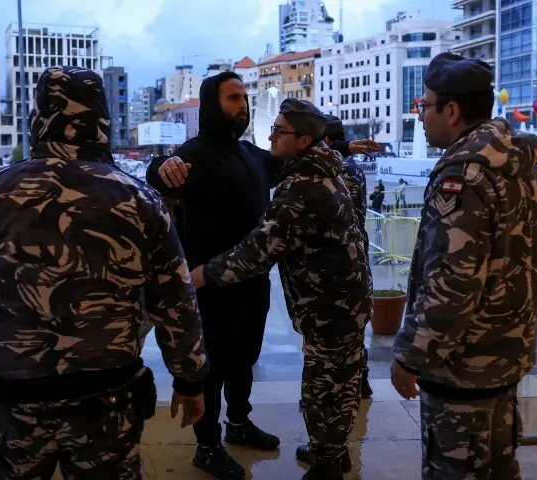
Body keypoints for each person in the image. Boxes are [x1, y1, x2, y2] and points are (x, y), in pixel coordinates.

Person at [0, 65, 209, 480]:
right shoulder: (139, 200)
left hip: (12, 398)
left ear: (38, 119)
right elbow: (176, 301)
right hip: (108, 399)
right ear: (103, 121)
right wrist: (189, 379)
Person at [145, 71, 379, 479]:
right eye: (233, 98)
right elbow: (157, 179)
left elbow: (299, 150)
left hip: (250, 281)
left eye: (244, 97)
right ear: (211, 104)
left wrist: (340, 144)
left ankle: (238, 423)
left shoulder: (254, 156)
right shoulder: (190, 156)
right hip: (209, 283)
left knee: (244, 359)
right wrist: (158, 166)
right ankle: (207, 446)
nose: (243, 105)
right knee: (213, 366)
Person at [390, 52, 537, 480]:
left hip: (463, 368)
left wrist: (411, 354)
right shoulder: (520, 164)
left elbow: (453, 282)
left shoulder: (463, 177)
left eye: (425, 105)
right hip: (504, 355)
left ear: (452, 111)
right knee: (499, 467)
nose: (421, 116)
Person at [321, 114, 373, 400]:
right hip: (360, 252)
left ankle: (347, 386)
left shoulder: (337, 170)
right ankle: (361, 379)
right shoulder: (355, 167)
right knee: (356, 323)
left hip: (339, 259)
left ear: (327, 141)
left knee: (340, 327)